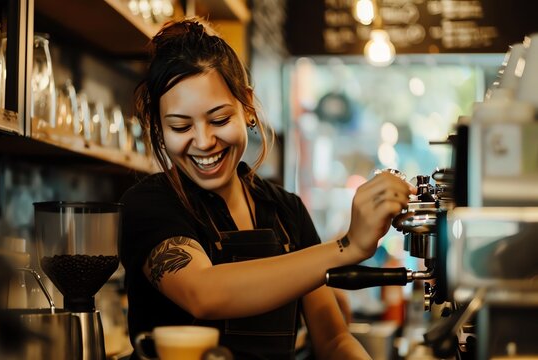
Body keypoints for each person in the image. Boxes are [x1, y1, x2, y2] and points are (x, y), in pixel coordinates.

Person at [119, 19, 413, 360]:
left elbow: (333, 340)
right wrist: (348, 246)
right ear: (158, 126)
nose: (203, 141)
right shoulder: (148, 204)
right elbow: (203, 292)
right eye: (180, 126)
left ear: (246, 107)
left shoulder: (286, 210)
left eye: (219, 120)